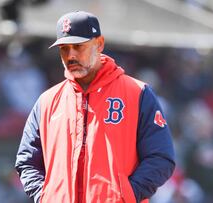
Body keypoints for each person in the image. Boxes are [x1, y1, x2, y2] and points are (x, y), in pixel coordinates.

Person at [15, 11, 175, 203]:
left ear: (99, 44)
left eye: (78, 46)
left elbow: (161, 157)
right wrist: (46, 197)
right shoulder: (47, 101)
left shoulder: (137, 93)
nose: (71, 55)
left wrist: (126, 196)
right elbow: (27, 161)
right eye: (64, 48)